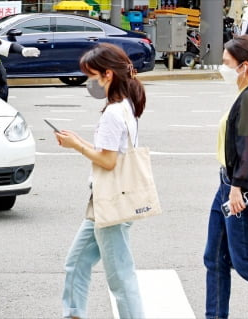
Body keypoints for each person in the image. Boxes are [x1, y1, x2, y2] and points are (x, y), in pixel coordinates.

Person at [54, 43, 146, 319]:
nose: (89, 82)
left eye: (91, 75)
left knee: (120, 274)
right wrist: (78, 140)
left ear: (107, 74)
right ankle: (73, 313)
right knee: (77, 262)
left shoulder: (114, 112)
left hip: (111, 201)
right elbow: (109, 152)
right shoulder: (126, 104)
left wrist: (76, 146)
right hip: (108, 200)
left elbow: (107, 161)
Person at [204, 34, 248, 319]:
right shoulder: (245, 95)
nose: (221, 67)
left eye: (226, 62)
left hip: (237, 188)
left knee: (245, 263)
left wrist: (237, 187)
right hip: (227, 185)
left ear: (243, 66)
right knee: (215, 258)